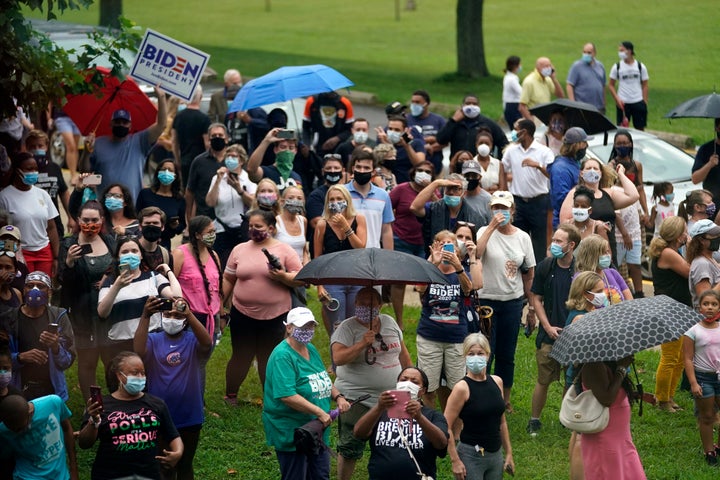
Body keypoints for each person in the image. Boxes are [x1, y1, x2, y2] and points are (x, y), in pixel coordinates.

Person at [331, 286, 412, 480]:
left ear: (380, 306)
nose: (367, 308)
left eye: (372, 304)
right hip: (357, 396)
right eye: (362, 304)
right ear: (355, 304)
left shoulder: (390, 322)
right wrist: (362, 344)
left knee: (397, 444)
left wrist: (409, 384)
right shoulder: (347, 327)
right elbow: (338, 358)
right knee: (351, 445)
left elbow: (404, 356)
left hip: (395, 395)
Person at [223, 209, 303, 403]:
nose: (253, 230)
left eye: (258, 226)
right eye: (250, 226)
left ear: (271, 228)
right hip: (242, 312)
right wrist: (219, 304)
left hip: (276, 314)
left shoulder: (284, 250)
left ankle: (270, 398)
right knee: (241, 354)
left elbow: (300, 278)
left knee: (268, 357)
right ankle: (231, 395)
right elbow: (228, 278)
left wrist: (283, 276)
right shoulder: (239, 249)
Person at [263, 307, 350, 480]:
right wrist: (319, 412)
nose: (307, 331)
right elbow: (286, 395)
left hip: (318, 430)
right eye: (302, 327)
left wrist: (338, 397)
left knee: (320, 475)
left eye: (310, 326)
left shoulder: (311, 348)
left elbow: (322, 378)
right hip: (294, 432)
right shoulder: (282, 356)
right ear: (288, 327)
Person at [134, 296, 213, 480]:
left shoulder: (192, 341)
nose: (172, 319)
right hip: (160, 416)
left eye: (178, 316)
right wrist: (145, 315)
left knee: (185, 465)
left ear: (185, 320)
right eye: (168, 314)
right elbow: (138, 351)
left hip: (189, 415)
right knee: (164, 465)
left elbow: (207, 343)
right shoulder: (153, 340)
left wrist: (190, 315)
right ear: (161, 316)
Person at [78, 351, 184, 480]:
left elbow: (173, 435)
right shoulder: (100, 406)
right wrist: (94, 421)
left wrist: (178, 452)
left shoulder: (157, 404)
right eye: (135, 373)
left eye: (143, 373)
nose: (140, 377)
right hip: (110, 475)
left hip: (148, 474)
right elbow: (84, 443)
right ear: (119, 375)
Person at [475, 191, 535, 411]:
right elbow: (477, 254)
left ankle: (504, 398)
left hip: (512, 302)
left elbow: (529, 273)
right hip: (487, 301)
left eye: (504, 208)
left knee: (506, 354)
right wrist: (491, 227)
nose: (500, 212)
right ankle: (483, 394)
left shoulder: (522, 237)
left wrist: (531, 309)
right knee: (484, 351)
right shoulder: (483, 231)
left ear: (512, 210)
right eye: (496, 208)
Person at [416, 230, 481, 412]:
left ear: (457, 250)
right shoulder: (428, 268)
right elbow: (419, 289)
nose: (446, 248)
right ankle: (430, 423)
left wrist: (458, 266)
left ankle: (455, 431)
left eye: (450, 244)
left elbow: (469, 290)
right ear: (435, 247)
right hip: (430, 336)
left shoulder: (461, 270)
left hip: (456, 339)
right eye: (442, 244)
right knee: (428, 388)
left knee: (457, 387)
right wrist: (433, 264)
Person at [57, 200, 115, 401]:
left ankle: (117, 401)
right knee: (88, 363)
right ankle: (93, 406)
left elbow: (119, 267)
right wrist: (70, 263)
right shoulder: (68, 244)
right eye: (86, 220)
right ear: (78, 220)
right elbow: (63, 282)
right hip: (83, 314)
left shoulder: (110, 241)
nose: (90, 224)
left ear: (102, 220)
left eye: (94, 220)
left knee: (112, 360)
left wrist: (108, 280)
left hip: (109, 312)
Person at [97, 237, 179, 379]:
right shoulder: (110, 282)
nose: (130, 254)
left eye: (134, 251)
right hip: (120, 345)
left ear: (141, 255)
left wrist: (168, 271)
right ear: (118, 257)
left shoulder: (153, 277)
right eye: (125, 251)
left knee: (153, 382)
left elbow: (176, 297)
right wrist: (117, 286)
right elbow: (102, 312)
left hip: (151, 341)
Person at [526, 223, 580, 436]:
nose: (554, 245)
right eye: (554, 240)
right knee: (543, 380)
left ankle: (565, 418)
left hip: (573, 336)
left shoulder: (580, 270)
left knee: (570, 379)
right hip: (548, 335)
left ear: (572, 245)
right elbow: (536, 298)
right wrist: (546, 326)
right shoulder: (545, 266)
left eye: (559, 241)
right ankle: (534, 420)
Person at [354, 366, 449, 480]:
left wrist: (419, 418)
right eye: (404, 380)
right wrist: (379, 407)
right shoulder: (381, 412)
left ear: (422, 391)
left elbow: (441, 444)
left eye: (414, 382)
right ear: (397, 383)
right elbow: (358, 433)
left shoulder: (433, 416)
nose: (407, 384)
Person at [444, 333, 515, 480]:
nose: (476, 357)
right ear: (465, 357)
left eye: (480, 353)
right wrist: (455, 460)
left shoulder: (497, 382)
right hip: (471, 455)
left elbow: (501, 421)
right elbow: (446, 426)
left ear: (488, 356)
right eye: (471, 354)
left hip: (495, 454)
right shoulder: (462, 388)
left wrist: (508, 453)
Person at [6, 271, 75, 401]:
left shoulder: (59, 316)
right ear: (24, 290)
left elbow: (67, 361)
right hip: (18, 391)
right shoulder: (9, 318)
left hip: (52, 391)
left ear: (49, 292)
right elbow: (2, 361)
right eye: (30, 286)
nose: (34, 290)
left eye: (40, 286)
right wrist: (21, 358)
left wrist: (56, 347)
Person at [88, 89, 167, 199]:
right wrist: (87, 151)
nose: (121, 125)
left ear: (130, 126)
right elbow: (86, 174)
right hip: (104, 206)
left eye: (125, 122)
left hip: (132, 207)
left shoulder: (140, 141)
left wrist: (161, 97)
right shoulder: (98, 142)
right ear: (111, 124)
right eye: (117, 122)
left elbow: (161, 125)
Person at [559, 158, 640, 264]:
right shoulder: (575, 193)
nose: (592, 171)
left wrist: (620, 174)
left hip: (608, 246)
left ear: (601, 173)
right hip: (585, 249)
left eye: (595, 168)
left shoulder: (609, 193)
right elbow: (565, 222)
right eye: (588, 168)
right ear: (581, 173)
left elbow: (633, 196)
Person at [579, 354, 645, 479]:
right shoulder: (593, 365)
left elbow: (613, 391)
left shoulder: (608, 362)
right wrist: (622, 369)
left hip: (621, 439)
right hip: (604, 441)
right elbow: (607, 398)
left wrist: (635, 394)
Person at [649, 216, 690, 412]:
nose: (686, 234)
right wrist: (692, 248)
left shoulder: (672, 251)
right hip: (669, 310)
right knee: (670, 357)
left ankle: (670, 396)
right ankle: (662, 399)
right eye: (684, 231)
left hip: (679, 309)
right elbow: (691, 272)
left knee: (681, 357)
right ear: (676, 234)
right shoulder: (668, 253)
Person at [313, 185, 367, 334]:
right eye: (332, 199)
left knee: (355, 326)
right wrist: (319, 286)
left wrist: (346, 227)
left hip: (356, 279)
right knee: (337, 327)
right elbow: (317, 257)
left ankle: (354, 357)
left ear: (347, 200)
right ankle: (336, 357)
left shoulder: (359, 219)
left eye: (339, 199)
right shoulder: (322, 224)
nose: (335, 202)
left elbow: (360, 248)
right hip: (333, 280)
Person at [502, 119, 555, 263]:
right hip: (518, 201)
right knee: (517, 238)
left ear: (524, 132)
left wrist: (537, 165)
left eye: (515, 129)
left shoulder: (544, 151)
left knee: (539, 240)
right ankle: (520, 271)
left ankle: (538, 274)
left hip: (539, 201)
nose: (513, 132)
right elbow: (503, 168)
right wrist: (503, 192)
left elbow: (552, 174)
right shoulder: (511, 151)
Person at [0, 152, 59, 276]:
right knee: (23, 290)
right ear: (17, 171)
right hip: (20, 253)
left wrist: (57, 257)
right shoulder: (4, 197)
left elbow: (52, 227)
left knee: (42, 291)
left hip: (44, 252)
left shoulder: (42, 194)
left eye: (36, 169)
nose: (34, 172)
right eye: (29, 169)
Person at [0, 394, 79, 480]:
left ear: (30, 414)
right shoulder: (3, 430)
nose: (16, 432)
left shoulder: (53, 403)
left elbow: (67, 429)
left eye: (19, 429)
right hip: (27, 476)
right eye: (12, 429)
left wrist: (73, 469)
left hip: (60, 475)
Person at [683, 289, 720, 466]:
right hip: (703, 379)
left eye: (714, 304)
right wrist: (693, 383)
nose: (710, 308)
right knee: (707, 416)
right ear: (699, 308)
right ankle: (709, 451)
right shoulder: (692, 331)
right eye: (706, 304)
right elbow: (687, 359)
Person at [410, 173, 489, 253]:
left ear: (464, 193)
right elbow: (414, 208)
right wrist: (436, 183)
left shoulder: (475, 216)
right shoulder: (433, 208)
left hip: (462, 261)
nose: (451, 192)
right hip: (434, 258)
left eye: (455, 189)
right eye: (448, 188)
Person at [205, 144, 256, 266]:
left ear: (242, 160)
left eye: (234, 156)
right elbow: (210, 202)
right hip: (222, 229)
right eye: (228, 156)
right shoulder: (217, 178)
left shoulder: (248, 178)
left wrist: (239, 190)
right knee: (223, 264)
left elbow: (253, 204)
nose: (230, 159)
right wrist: (218, 180)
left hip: (243, 230)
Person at [172, 216, 222, 340]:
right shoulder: (180, 254)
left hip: (212, 317)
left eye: (214, 231)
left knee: (206, 357)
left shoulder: (214, 255)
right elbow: (170, 284)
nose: (213, 235)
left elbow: (218, 287)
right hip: (189, 318)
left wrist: (221, 313)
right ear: (198, 235)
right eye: (209, 232)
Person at [25, 130, 73, 236]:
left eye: (40, 146)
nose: (37, 149)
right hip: (32, 227)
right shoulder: (24, 170)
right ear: (27, 148)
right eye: (33, 147)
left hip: (55, 226)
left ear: (46, 147)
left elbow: (64, 193)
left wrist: (71, 217)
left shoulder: (55, 168)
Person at [345, 149, 394, 250]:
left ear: (373, 172)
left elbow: (386, 230)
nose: (362, 171)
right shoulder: (341, 193)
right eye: (358, 167)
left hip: (373, 253)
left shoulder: (383, 195)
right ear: (353, 168)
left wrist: (389, 258)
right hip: (345, 253)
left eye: (366, 168)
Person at [436, 94, 508, 160]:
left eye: (474, 104)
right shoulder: (455, 123)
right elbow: (440, 140)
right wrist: (453, 121)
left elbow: (504, 144)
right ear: (462, 106)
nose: (471, 106)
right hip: (458, 166)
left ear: (479, 106)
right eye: (468, 103)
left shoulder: (489, 124)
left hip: (481, 166)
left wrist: (498, 162)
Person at [136, 159, 186, 250]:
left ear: (175, 176)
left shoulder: (179, 200)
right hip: (142, 241)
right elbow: (136, 216)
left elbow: (182, 225)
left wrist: (175, 226)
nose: (166, 172)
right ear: (158, 172)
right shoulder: (145, 194)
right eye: (163, 169)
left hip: (164, 244)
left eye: (170, 170)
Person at [185, 123, 229, 225]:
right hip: (205, 217)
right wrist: (189, 218)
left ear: (226, 139)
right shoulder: (199, 161)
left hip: (228, 218)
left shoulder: (234, 161)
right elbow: (190, 191)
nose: (217, 138)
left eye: (220, 135)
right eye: (213, 136)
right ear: (208, 139)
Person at [389, 161, 435, 258]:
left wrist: (431, 189)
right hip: (401, 240)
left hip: (424, 243)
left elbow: (440, 210)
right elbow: (386, 210)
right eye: (420, 170)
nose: (423, 174)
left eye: (427, 172)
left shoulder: (435, 193)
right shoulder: (401, 189)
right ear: (414, 172)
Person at [549, 127, 591, 229]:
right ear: (576, 145)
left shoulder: (576, 162)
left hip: (579, 219)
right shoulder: (561, 168)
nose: (587, 146)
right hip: (567, 223)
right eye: (584, 143)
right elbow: (561, 198)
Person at [575, 233, 633, 303]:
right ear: (591, 255)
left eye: (607, 251)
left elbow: (630, 300)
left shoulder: (613, 273)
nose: (608, 255)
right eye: (603, 253)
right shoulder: (580, 278)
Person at [172, 86, 211, 185]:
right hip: (200, 161)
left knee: (186, 188)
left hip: (184, 160)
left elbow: (174, 141)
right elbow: (207, 144)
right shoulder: (204, 119)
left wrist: (177, 160)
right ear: (201, 97)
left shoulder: (178, 117)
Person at [608, 129, 649, 224]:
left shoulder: (637, 165)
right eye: (619, 143)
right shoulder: (611, 166)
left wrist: (646, 211)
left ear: (630, 144)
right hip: (618, 208)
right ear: (614, 145)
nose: (622, 146)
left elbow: (640, 189)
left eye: (625, 143)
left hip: (634, 207)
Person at [246, 127, 304, 192]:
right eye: (283, 147)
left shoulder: (296, 177)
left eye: (291, 148)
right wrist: (266, 141)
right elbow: (251, 170)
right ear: (275, 149)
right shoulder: (266, 172)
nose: (287, 151)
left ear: (295, 151)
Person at [608, 41, 649, 130]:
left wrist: (644, 102)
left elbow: (645, 85)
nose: (620, 53)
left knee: (640, 128)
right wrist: (617, 99)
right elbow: (611, 85)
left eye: (622, 50)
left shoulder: (640, 66)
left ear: (629, 51)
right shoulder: (617, 67)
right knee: (622, 128)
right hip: (623, 102)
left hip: (637, 101)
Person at [374, 115, 425, 184]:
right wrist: (386, 144)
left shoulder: (416, 144)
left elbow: (419, 164)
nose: (392, 132)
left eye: (397, 130)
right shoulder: (382, 143)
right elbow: (376, 163)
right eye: (390, 129)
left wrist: (407, 146)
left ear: (405, 130)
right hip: (387, 184)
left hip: (407, 184)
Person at [302, 91, 354, 157]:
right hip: (317, 148)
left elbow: (350, 130)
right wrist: (306, 144)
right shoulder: (312, 101)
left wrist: (337, 138)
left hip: (339, 149)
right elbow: (306, 127)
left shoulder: (345, 103)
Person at [406, 90, 447, 174]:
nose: (414, 105)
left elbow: (445, 141)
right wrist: (424, 144)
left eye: (417, 102)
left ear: (426, 104)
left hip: (434, 165)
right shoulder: (406, 120)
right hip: (411, 166)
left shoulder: (438, 120)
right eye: (412, 102)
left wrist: (432, 147)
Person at [518, 56, 565, 120]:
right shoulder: (529, 81)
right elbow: (522, 107)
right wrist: (531, 121)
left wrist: (554, 79)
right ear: (538, 67)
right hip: (535, 118)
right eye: (545, 66)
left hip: (546, 118)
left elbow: (561, 96)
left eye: (549, 66)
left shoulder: (548, 79)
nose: (548, 68)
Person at [687, 219, 720, 306]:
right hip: (710, 318)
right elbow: (705, 299)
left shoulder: (710, 259)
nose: (718, 237)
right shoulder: (701, 264)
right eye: (714, 235)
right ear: (701, 240)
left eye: (718, 234)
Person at [566, 43, 607, 113]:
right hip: (582, 107)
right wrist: (573, 104)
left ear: (594, 53)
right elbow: (569, 85)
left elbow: (603, 85)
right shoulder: (576, 66)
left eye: (589, 52)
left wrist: (604, 102)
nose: (586, 54)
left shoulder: (600, 66)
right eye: (584, 52)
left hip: (598, 107)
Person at [276, 186, 310, 265]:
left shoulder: (303, 221)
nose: (295, 201)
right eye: (291, 198)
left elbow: (304, 250)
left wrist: (305, 267)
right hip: (282, 269)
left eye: (299, 198)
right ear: (282, 201)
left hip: (300, 270)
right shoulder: (276, 222)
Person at [691, 118, 720, 201]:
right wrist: (710, 164)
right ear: (716, 128)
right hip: (712, 203)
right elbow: (695, 179)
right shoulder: (706, 149)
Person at [137, 206, 173, 272]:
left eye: (155, 223)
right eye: (147, 223)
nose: (151, 226)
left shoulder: (166, 255)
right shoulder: (130, 250)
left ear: (162, 227)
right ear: (140, 227)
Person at [502, 56, 523, 129]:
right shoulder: (512, 79)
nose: (520, 67)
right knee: (518, 128)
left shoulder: (508, 77)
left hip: (510, 106)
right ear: (515, 66)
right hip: (513, 106)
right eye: (519, 65)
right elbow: (521, 92)